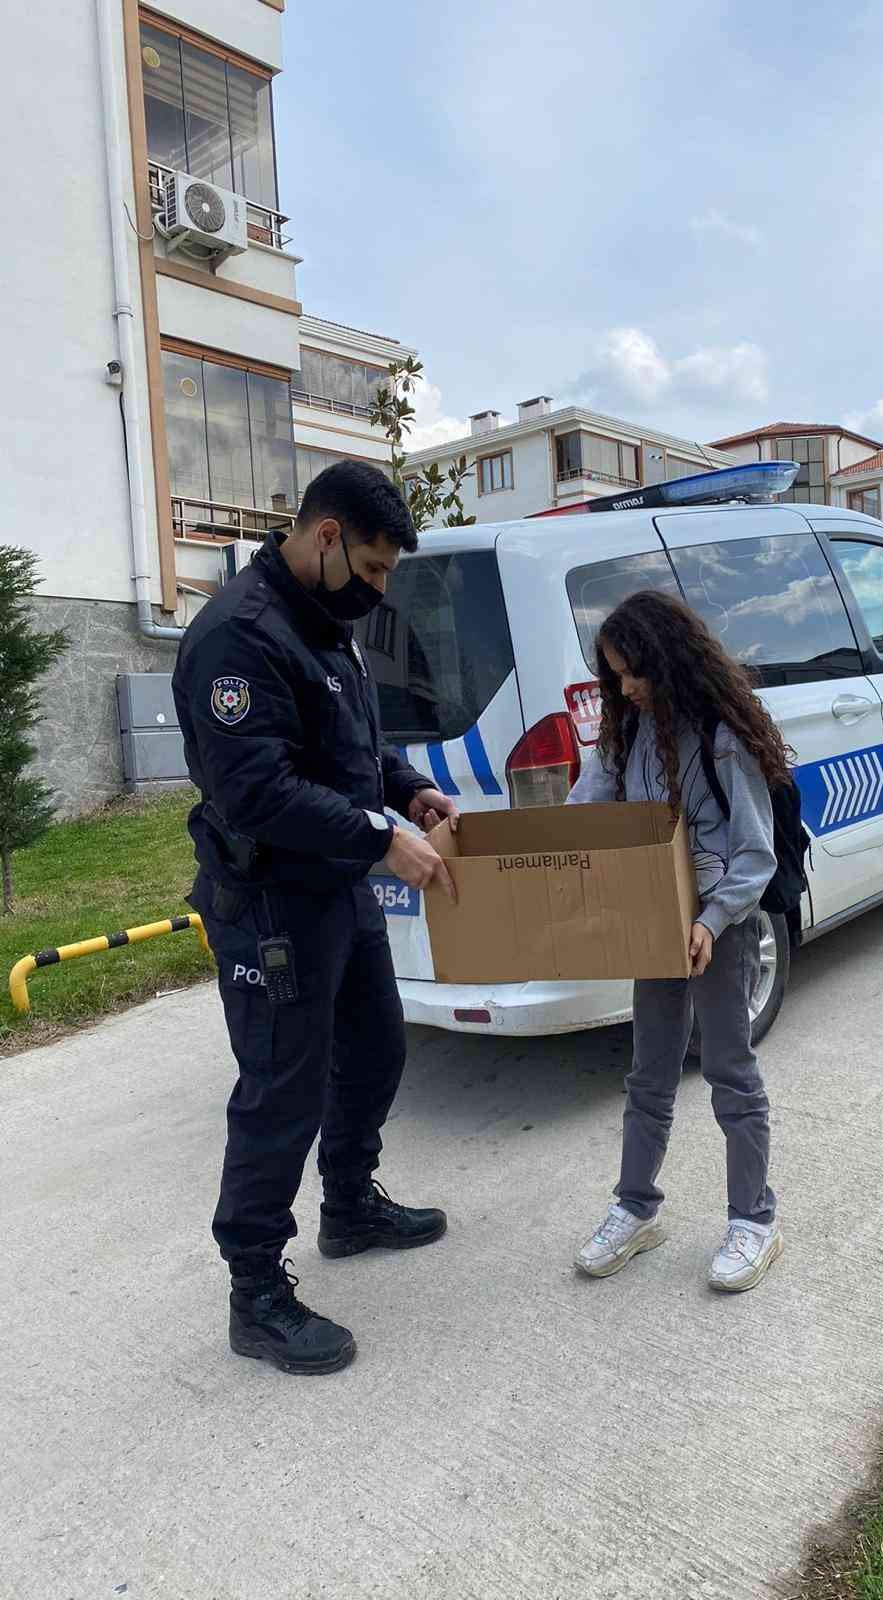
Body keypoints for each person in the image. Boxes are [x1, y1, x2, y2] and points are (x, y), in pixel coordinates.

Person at [173, 461, 458, 1375]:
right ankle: (254, 1291)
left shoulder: (325, 623)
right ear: (326, 535)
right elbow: (255, 791)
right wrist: (380, 840)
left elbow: (349, 755)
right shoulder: (237, 638)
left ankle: (349, 1205)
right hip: (270, 906)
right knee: (279, 1090)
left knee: (377, 1049)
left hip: (335, 888)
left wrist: (409, 792)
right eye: (372, 571)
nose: (378, 592)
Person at [569, 591, 788, 1293]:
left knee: (729, 1070)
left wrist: (711, 923)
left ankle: (755, 1220)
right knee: (648, 1075)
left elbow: (757, 853)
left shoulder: (724, 736)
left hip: (714, 929)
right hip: (652, 925)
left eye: (634, 672)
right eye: (615, 676)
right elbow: (585, 817)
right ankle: (635, 1209)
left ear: (667, 661)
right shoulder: (623, 735)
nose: (625, 687)